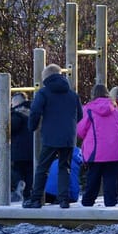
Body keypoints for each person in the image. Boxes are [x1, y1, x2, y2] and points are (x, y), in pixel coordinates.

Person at [23, 64, 83, 209]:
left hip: (50, 136)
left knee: (42, 168)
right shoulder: (72, 94)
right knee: (65, 167)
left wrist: (32, 126)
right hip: (68, 136)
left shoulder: (43, 93)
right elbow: (80, 115)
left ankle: (36, 199)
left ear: (46, 77)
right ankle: (64, 200)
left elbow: (35, 111)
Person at [78, 84, 118, 207]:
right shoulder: (115, 109)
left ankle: (88, 201)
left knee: (93, 178)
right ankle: (111, 202)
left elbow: (81, 130)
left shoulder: (88, 109)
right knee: (111, 179)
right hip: (114, 150)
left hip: (95, 150)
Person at [10, 92, 33, 202]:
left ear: (16, 102)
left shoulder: (17, 113)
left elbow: (11, 127)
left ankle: (19, 185)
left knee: (17, 171)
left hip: (19, 150)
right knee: (30, 172)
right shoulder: (33, 111)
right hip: (32, 149)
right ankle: (28, 194)